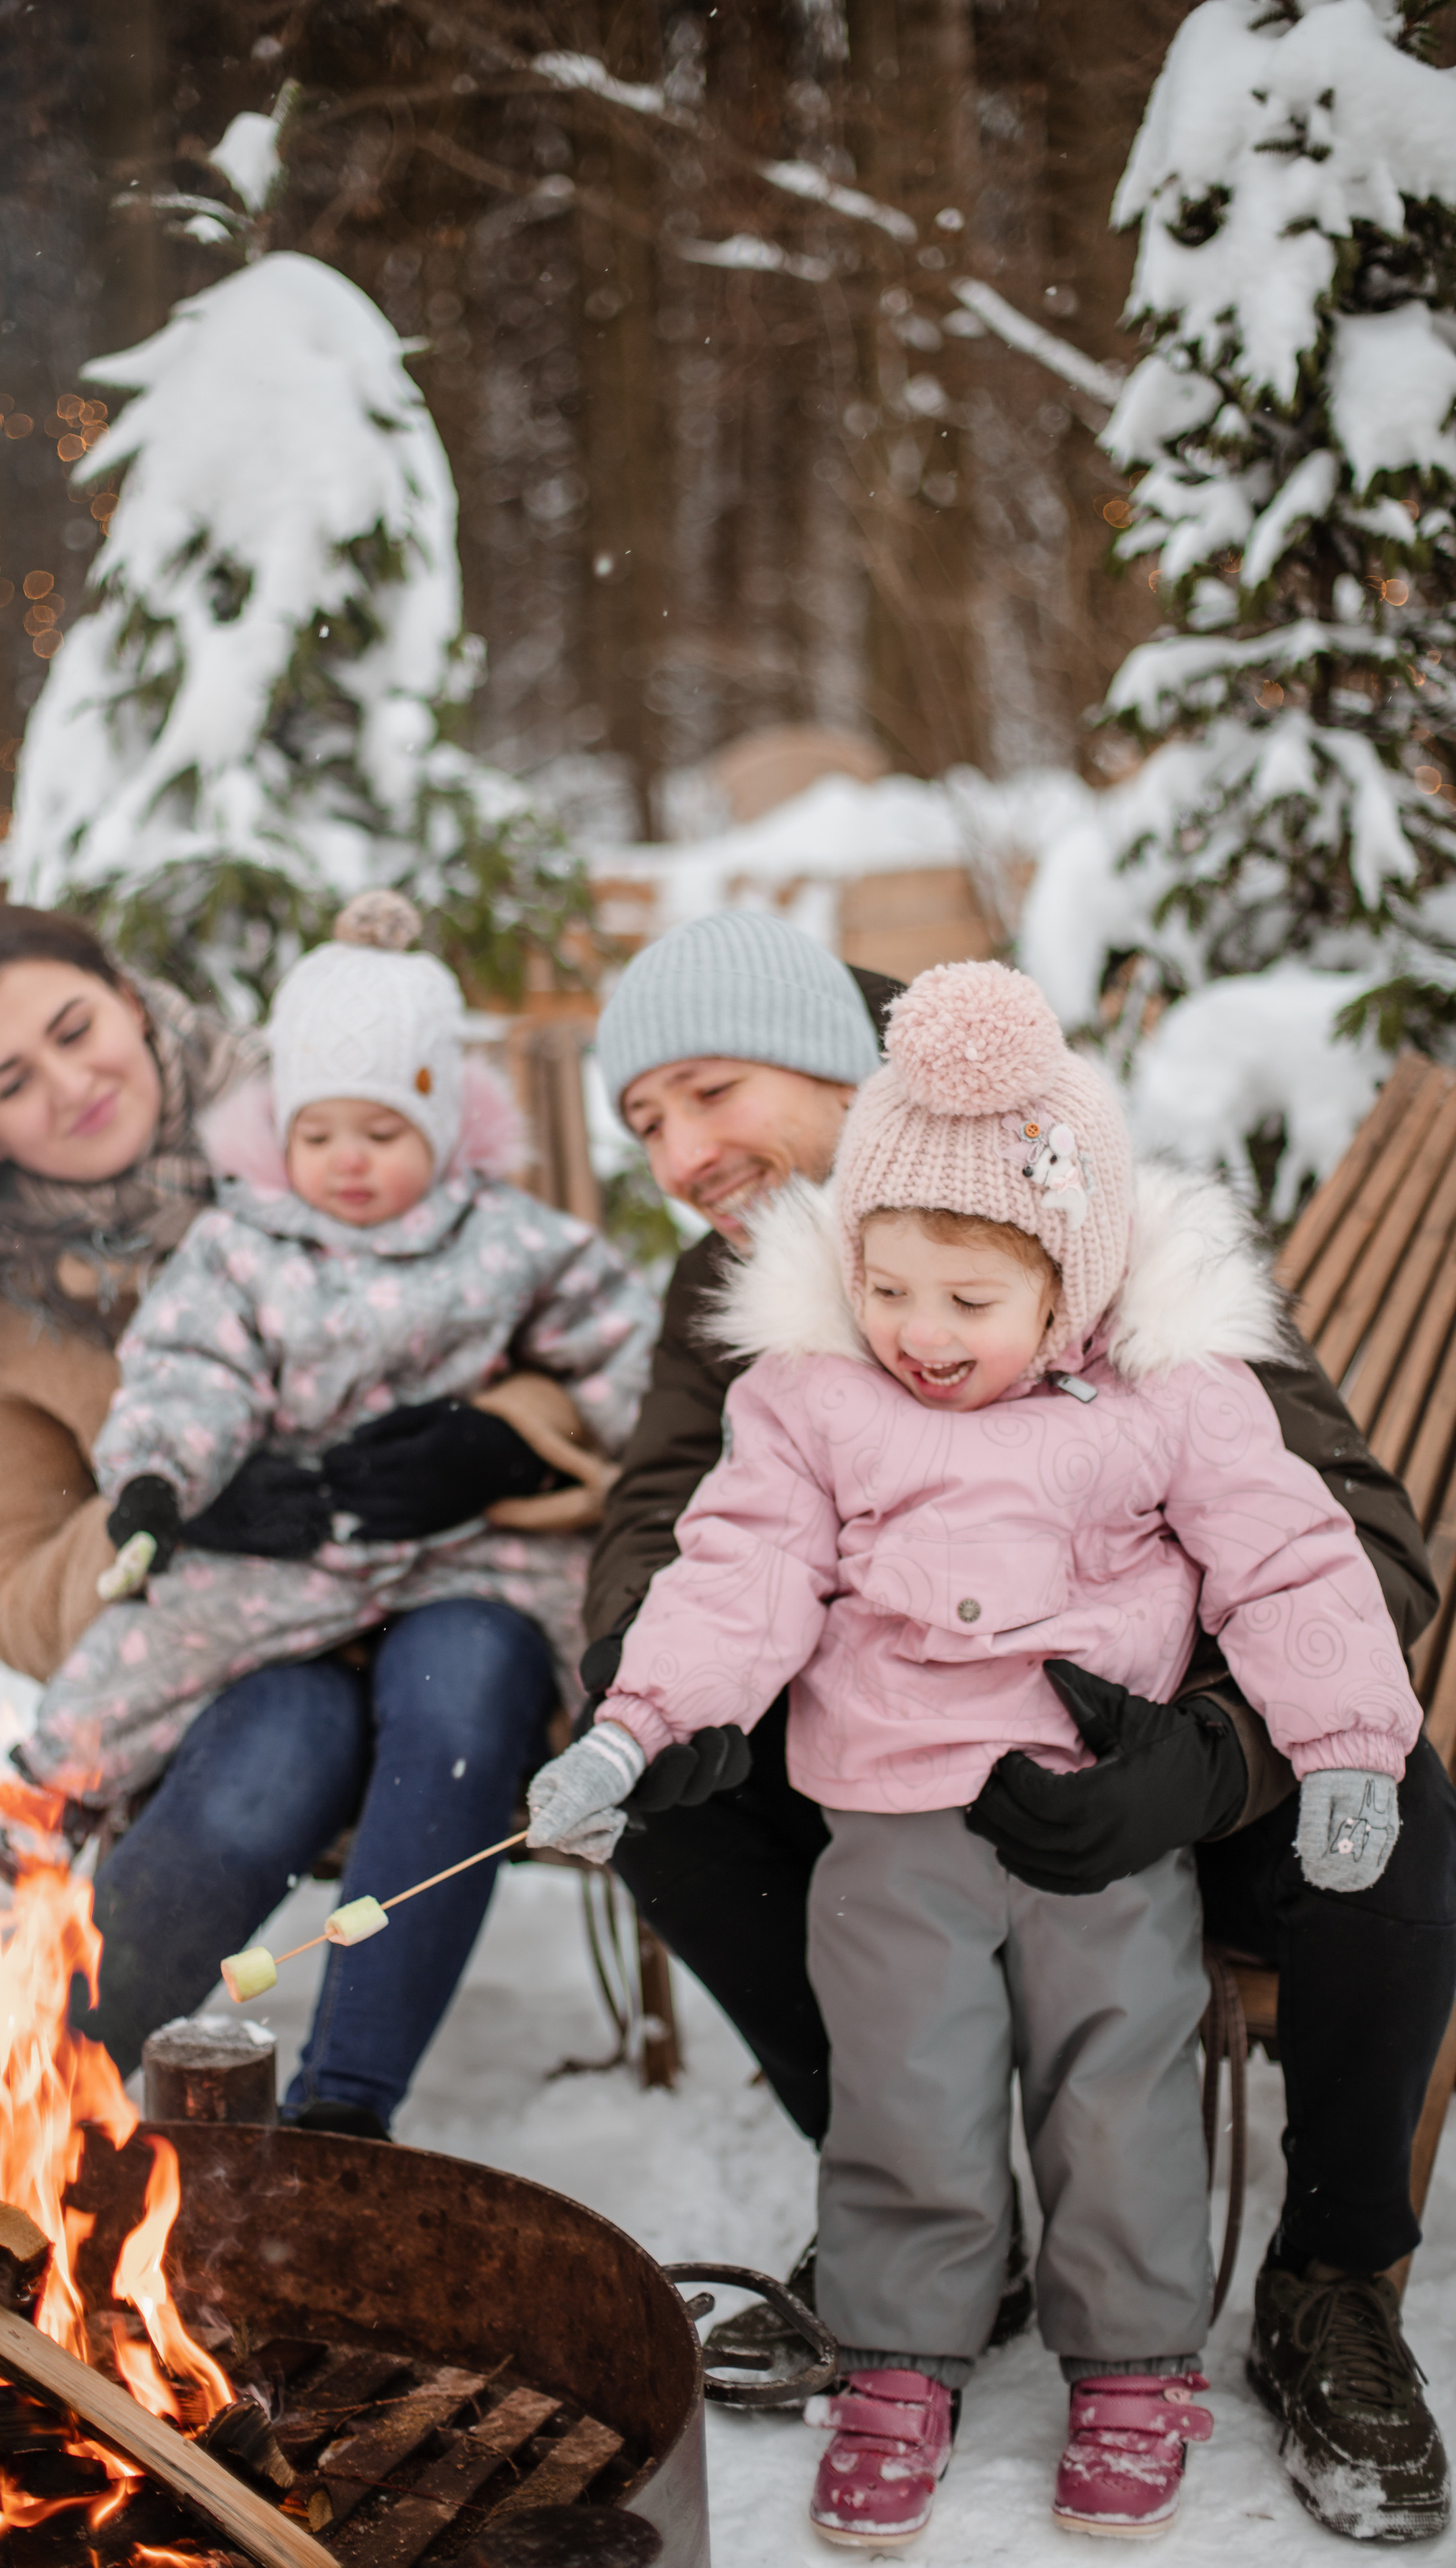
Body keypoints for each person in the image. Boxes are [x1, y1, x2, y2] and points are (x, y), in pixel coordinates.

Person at [576, 909, 1456, 2544]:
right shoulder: (756, 1294)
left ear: (841, 1068)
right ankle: (927, 2248)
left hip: (1144, 1757)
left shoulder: (1116, 1245)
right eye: (644, 1123)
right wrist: (658, 1686)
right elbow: (677, 1515)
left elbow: (1335, 1549)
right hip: (896, 1778)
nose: (682, 1156)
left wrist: (1210, 1757)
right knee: (676, 1806)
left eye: (710, 1092)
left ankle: (1329, 2283)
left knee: (1388, 1796)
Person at [0, 897, 644, 2130]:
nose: (69, 1084)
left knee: (463, 1683)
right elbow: (12, 1595)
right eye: (12, 1082)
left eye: (74, 1028)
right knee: (274, 1751)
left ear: (131, 1001)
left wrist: (496, 1439)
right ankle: (42, 2101)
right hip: (245, 1640)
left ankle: (344, 2123)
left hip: (466, 1577)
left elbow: (571, 1328)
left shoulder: (350, 1099)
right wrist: (170, 1513)